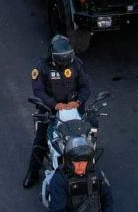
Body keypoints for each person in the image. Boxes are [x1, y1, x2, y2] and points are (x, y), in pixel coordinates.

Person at [25, 35, 92, 188]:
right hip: (51, 111)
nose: (65, 64)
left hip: (73, 110)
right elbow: (38, 91)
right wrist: (54, 105)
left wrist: (78, 101)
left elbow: (86, 87)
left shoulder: (76, 63)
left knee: (86, 137)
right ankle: (32, 172)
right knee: (40, 141)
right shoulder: (41, 67)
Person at [46, 136, 113, 212]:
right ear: (69, 162)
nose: (80, 166)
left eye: (84, 162)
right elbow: (58, 209)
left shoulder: (95, 172)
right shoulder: (60, 179)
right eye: (77, 163)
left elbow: (107, 198)